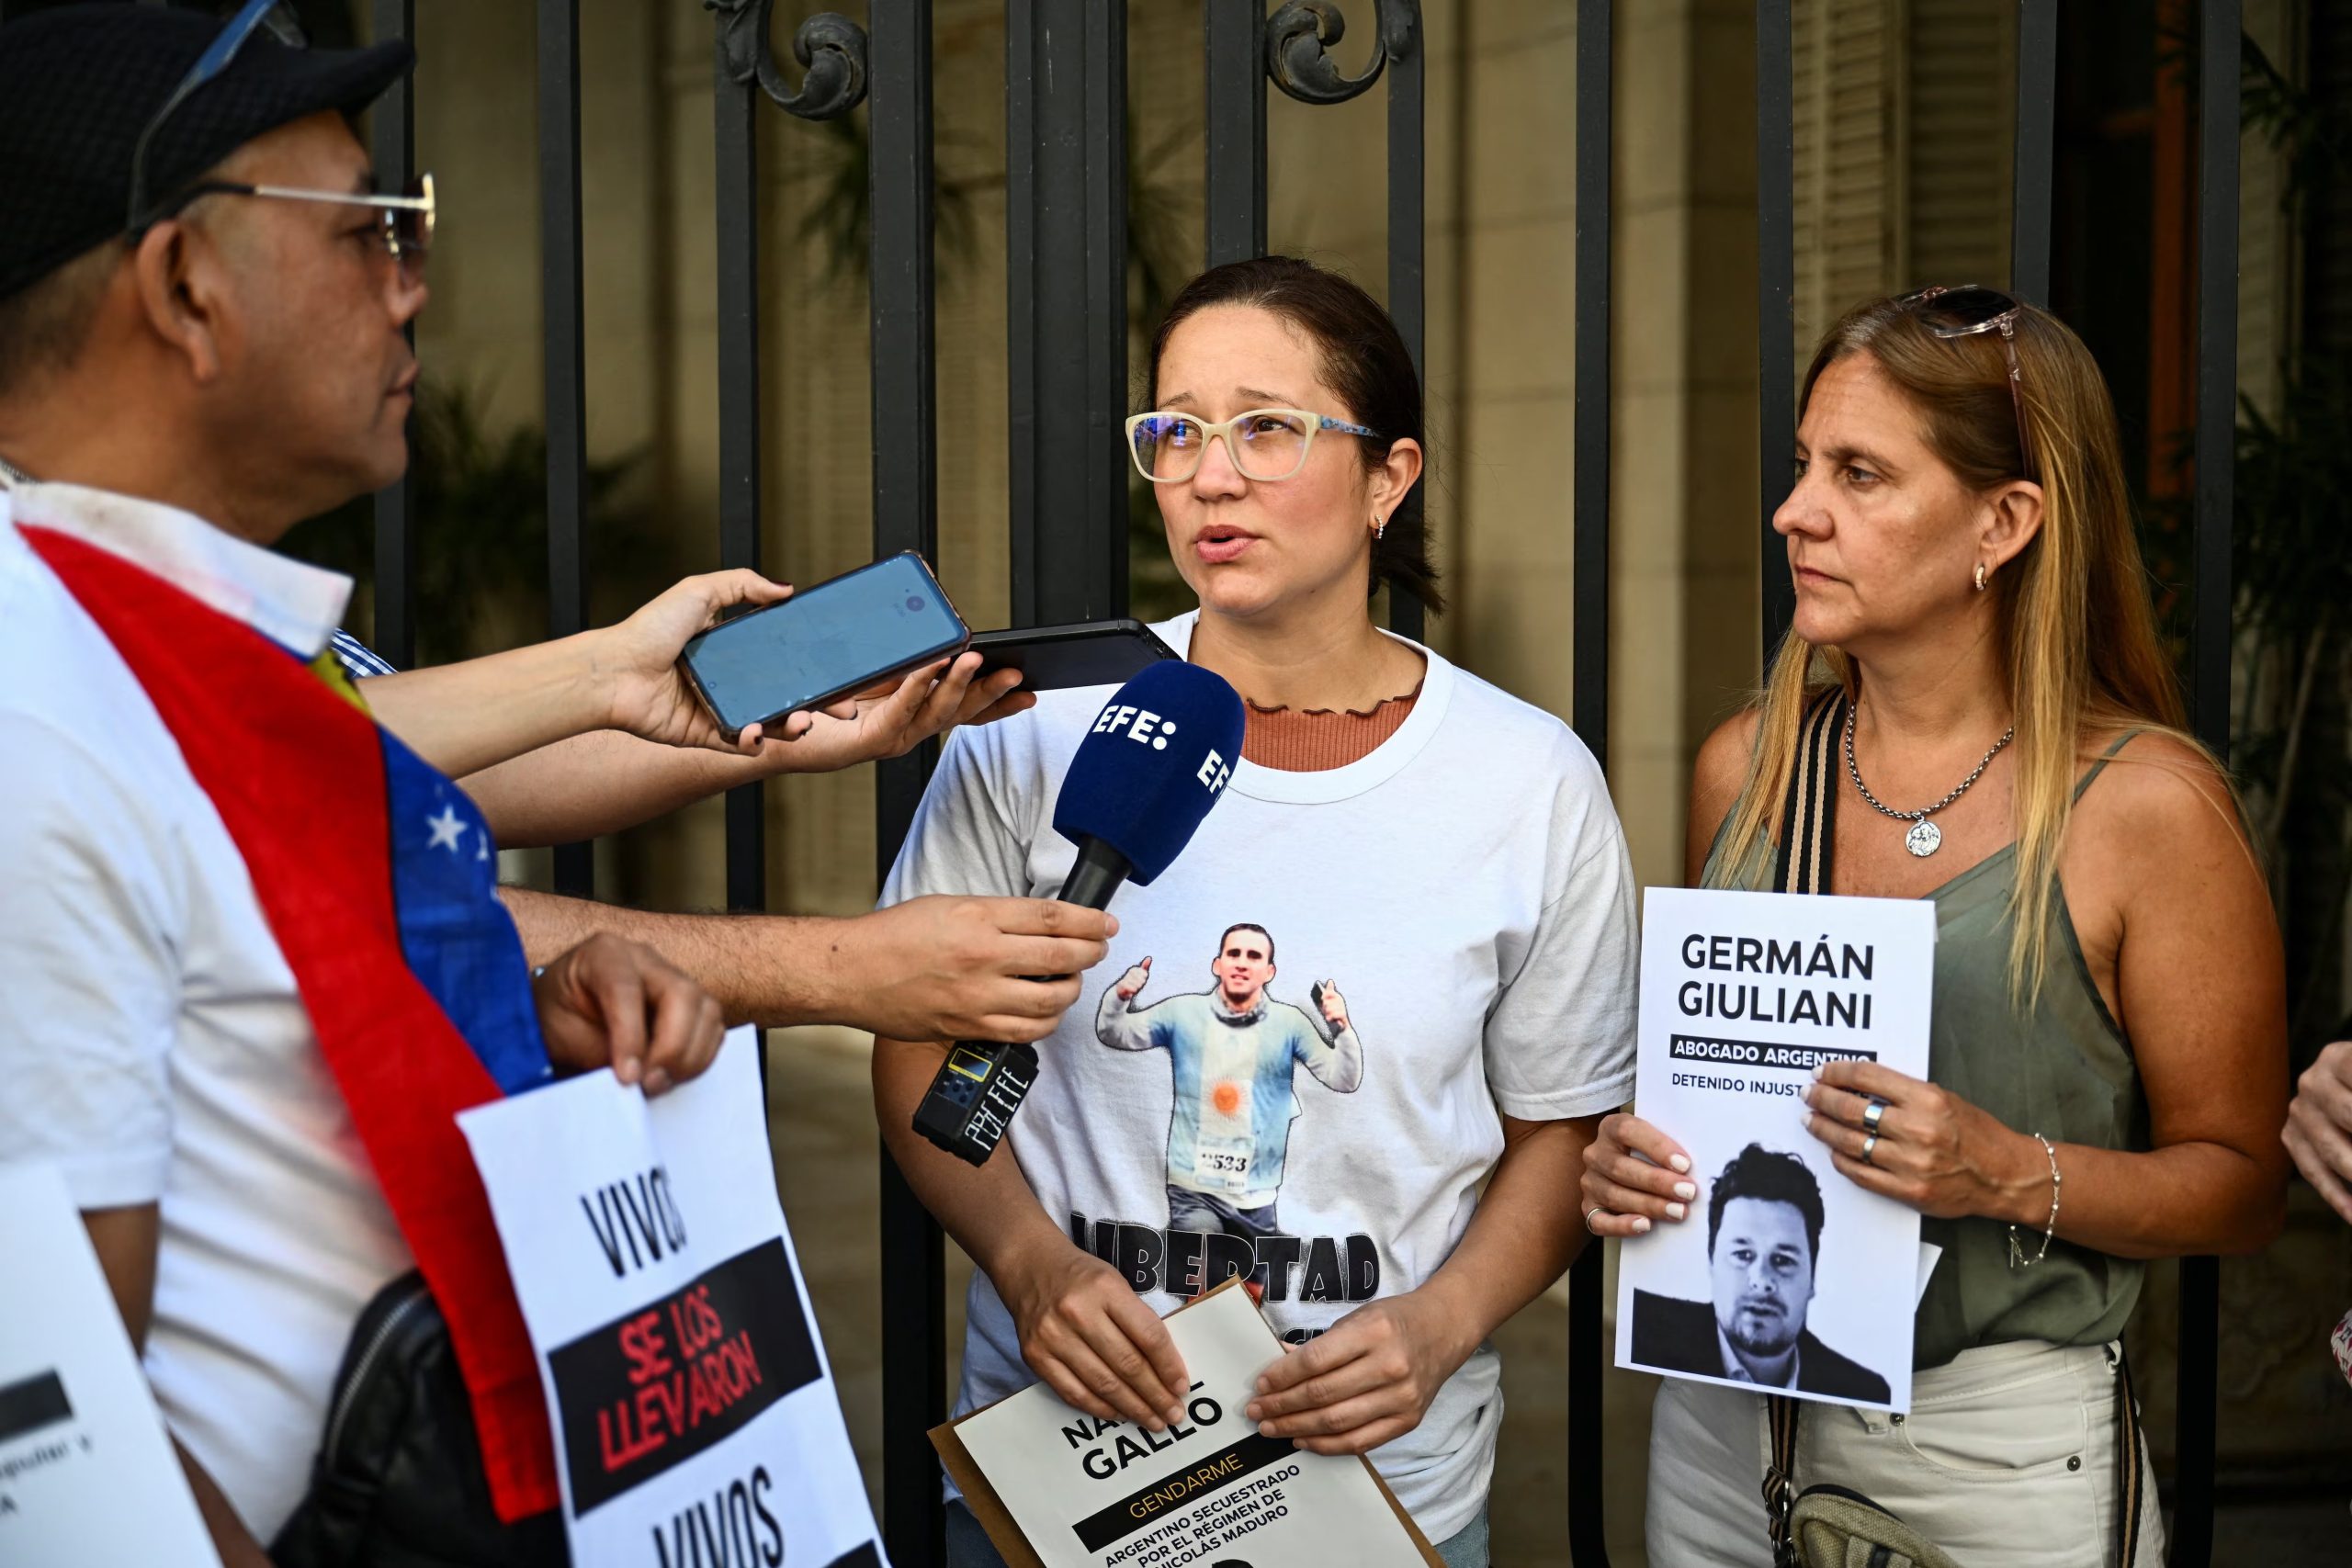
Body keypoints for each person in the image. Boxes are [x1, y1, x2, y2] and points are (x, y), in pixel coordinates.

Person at [0, 8, 1072, 1561]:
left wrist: (526, 1011)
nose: (412, 280)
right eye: (369, 226)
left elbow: (322, 909)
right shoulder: (47, 712)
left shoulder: (172, 647)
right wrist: (842, 967)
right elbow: (57, 1430)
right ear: (184, 285)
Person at [873, 254, 1640, 1566]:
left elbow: (1567, 1125)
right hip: (1063, 1474)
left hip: (1379, 1488)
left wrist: (1442, 1322)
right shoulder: (1031, 730)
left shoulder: (1528, 780)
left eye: (1267, 427)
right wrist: (1030, 1263)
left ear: (1391, 477)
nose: (1208, 474)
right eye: (1174, 430)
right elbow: (910, 1037)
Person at [1580, 287, 2290, 1565]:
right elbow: (1727, 1096)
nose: (1798, 509)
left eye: (1860, 473)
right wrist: (1641, 1164)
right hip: (1726, 1433)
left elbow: (2241, 1181)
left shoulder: (2146, 806)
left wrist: (2003, 1169)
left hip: (1995, 1448)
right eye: (1806, 464)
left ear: (2005, 520)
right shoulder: (1749, 765)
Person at [1096, 922, 1364, 1251]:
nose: (1241, 962)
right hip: (1192, 1186)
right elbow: (1115, 1033)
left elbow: (1343, 1078)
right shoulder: (1183, 1012)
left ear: (1269, 971)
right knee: (1204, 1286)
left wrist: (1341, 1029)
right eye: (1233, 953)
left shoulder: (1289, 1023)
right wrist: (1119, 997)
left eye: (1253, 956)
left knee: (1249, 1296)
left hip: (1257, 1192)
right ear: (1217, 964)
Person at [1627, 1144, 1890, 1403]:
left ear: (1812, 1276)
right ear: (1711, 1261)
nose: (1762, 1281)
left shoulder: (1863, 1390)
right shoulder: (1641, 1331)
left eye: (1783, 1260)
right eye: (1742, 1255)